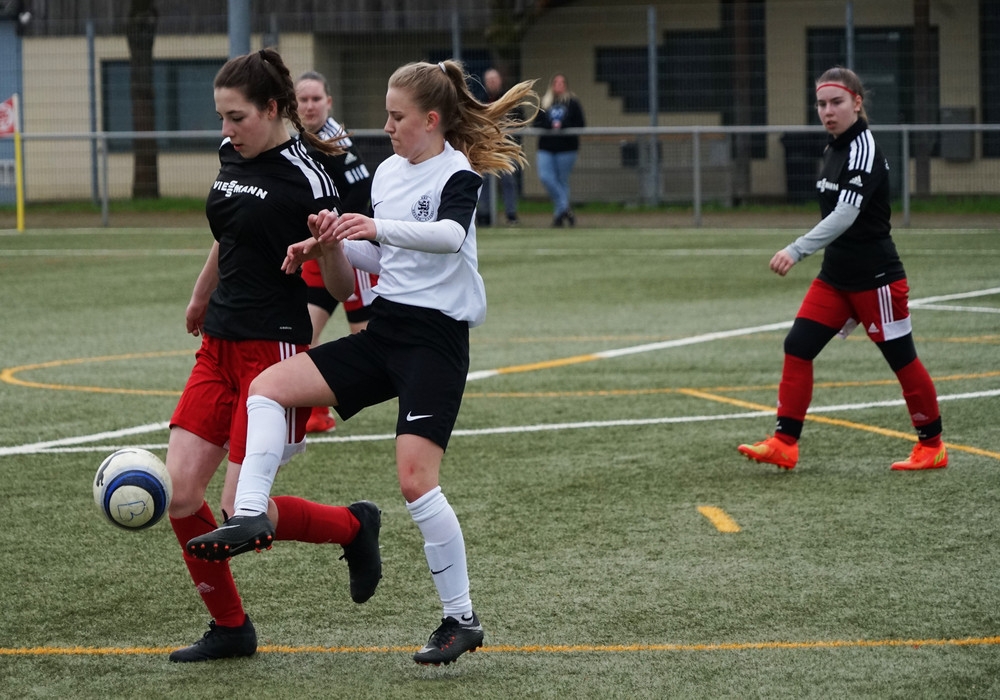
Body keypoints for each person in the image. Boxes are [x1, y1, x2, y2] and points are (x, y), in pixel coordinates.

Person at [187, 58, 538, 666]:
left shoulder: (456, 172)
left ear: (432, 120)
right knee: (268, 387)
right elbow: (381, 262)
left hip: (435, 342)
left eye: (398, 117)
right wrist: (327, 244)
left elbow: (450, 238)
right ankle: (248, 515)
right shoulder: (387, 174)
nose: (387, 126)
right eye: (387, 115)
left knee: (416, 482)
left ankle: (460, 619)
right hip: (386, 330)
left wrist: (373, 227)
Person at [166, 49, 383, 663]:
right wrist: (201, 295)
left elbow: (340, 285)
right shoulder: (231, 153)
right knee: (181, 495)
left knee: (241, 511)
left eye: (236, 117)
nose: (226, 129)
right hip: (218, 344)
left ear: (270, 109)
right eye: (221, 117)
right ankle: (231, 628)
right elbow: (228, 234)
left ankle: (353, 526)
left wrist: (327, 247)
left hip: (274, 349)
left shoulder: (310, 178)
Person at [737, 66, 947, 472]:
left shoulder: (863, 149)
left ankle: (932, 445)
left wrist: (796, 250)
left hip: (876, 279)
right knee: (798, 345)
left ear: (857, 102)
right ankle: (784, 443)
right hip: (836, 278)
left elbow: (845, 215)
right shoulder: (832, 147)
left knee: (902, 359)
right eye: (821, 104)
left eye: (836, 102)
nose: (827, 111)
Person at [294, 70, 379, 433]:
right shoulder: (301, 141)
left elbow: (360, 195)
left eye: (316, 99)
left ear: (328, 102)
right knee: (303, 332)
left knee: (366, 339)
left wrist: (339, 234)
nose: (309, 106)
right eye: (303, 100)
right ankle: (316, 413)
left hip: (350, 250)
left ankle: (416, 389)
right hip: (321, 250)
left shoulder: (333, 140)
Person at [533, 72, 585, 227]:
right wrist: (550, 126)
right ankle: (566, 208)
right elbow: (536, 123)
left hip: (566, 148)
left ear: (566, 86)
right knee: (546, 177)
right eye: (556, 82)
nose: (559, 85)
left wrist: (563, 125)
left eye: (562, 83)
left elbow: (580, 123)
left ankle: (558, 217)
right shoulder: (545, 102)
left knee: (562, 181)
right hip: (546, 147)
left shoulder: (572, 103)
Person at [477, 68, 520, 225]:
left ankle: (511, 215)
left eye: (494, 79)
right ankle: (485, 214)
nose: (492, 82)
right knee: (485, 181)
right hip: (486, 148)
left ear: (500, 80)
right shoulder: (479, 101)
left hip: (505, 147)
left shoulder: (509, 99)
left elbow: (519, 119)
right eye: (489, 80)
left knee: (508, 180)